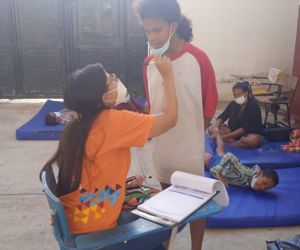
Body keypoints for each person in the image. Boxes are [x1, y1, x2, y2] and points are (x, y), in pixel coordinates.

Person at [40, 56, 178, 249]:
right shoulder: (114, 121)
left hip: (77, 217)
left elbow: (92, 174)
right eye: (110, 79)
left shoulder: (76, 125)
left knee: (149, 193)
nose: (115, 79)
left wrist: (122, 185)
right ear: (103, 97)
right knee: (176, 216)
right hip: (98, 230)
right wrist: (168, 76)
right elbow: (170, 119)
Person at [133, 0, 218, 249]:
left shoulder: (198, 59)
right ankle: (167, 244)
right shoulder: (149, 63)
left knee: (197, 204)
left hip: (189, 149)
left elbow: (209, 106)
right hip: (162, 149)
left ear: (174, 26)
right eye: (147, 31)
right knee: (167, 202)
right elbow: (153, 105)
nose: (152, 37)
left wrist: (192, 137)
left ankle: (196, 247)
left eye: (157, 30)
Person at [205, 128, 279, 190]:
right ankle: (209, 135)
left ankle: (217, 135)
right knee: (206, 153)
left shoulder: (251, 181)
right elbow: (229, 156)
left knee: (220, 150)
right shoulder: (246, 174)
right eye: (264, 183)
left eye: (266, 188)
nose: (262, 188)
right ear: (259, 174)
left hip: (222, 165)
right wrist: (219, 171)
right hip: (214, 163)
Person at [209, 81, 264, 148]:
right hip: (233, 133)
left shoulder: (253, 106)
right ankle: (234, 142)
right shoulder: (234, 104)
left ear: (246, 93)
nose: (237, 97)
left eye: (239, 94)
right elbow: (223, 116)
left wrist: (222, 138)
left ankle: (229, 143)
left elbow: (244, 129)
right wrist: (216, 127)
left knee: (253, 140)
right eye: (235, 95)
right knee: (211, 129)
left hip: (248, 134)